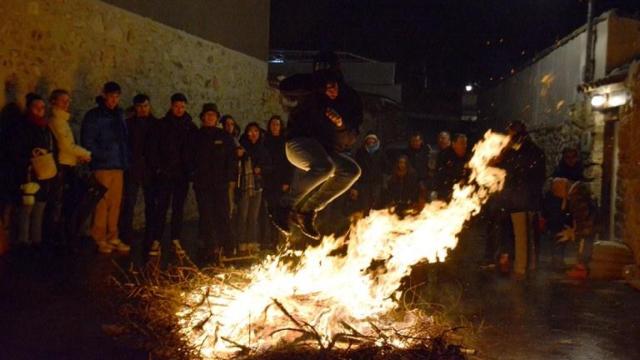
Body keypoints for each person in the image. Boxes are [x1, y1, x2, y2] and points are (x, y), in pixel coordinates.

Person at [272, 70, 361, 240]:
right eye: (326, 88)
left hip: (324, 151)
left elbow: (350, 139)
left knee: (351, 170)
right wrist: (316, 82)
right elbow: (285, 87)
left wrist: (340, 124)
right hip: (298, 144)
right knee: (325, 167)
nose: (331, 92)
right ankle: (284, 207)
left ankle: (306, 211)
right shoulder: (310, 98)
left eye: (333, 87)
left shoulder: (347, 104)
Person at [81, 82, 130, 254]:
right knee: (102, 203)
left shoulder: (119, 114)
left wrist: (124, 159)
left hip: (118, 165)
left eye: (117, 97)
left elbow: (124, 139)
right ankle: (99, 236)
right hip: (103, 165)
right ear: (104, 95)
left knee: (115, 203)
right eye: (111, 96)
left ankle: (112, 235)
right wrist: (101, 156)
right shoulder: (94, 116)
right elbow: (88, 140)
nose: (113, 100)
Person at [146, 93, 197, 257]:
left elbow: (195, 151)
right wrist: (159, 168)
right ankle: (157, 239)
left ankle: (176, 238)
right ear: (171, 106)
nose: (179, 109)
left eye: (182, 106)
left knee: (178, 209)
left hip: (182, 175)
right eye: (176, 106)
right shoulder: (162, 125)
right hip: (165, 174)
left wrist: (190, 170)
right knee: (161, 207)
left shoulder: (190, 127)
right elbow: (153, 148)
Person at [494, 121, 546, 278]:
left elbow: (531, 177)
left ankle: (522, 269)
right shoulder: (518, 151)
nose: (508, 137)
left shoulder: (528, 152)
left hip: (523, 200)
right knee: (521, 235)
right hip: (516, 199)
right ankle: (526, 266)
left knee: (523, 235)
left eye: (510, 134)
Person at [7, 93, 58, 248]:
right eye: (36, 107)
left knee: (39, 207)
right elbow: (16, 150)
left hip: (43, 173)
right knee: (26, 208)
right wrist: (31, 156)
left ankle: (36, 240)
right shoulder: (21, 127)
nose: (40, 110)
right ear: (29, 108)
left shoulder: (44, 127)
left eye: (42, 107)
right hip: (28, 173)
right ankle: (23, 241)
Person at [191, 103, 236, 260]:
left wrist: (231, 178)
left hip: (220, 184)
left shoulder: (224, 137)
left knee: (222, 214)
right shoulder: (196, 136)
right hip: (203, 184)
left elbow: (231, 159)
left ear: (217, 118)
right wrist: (194, 175)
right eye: (207, 115)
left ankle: (227, 246)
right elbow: (190, 158)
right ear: (203, 117)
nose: (210, 118)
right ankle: (210, 246)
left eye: (213, 115)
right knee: (206, 215)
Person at [48, 89, 91, 247]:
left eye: (68, 100)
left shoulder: (61, 120)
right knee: (67, 204)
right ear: (54, 102)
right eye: (63, 100)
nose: (67, 103)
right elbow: (66, 146)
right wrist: (85, 153)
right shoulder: (57, 121)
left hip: (68, 164)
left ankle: (67, 237)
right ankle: (64, 239)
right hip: (64, 167)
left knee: (69, 203)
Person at [119, 94, 156, 259]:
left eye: (145, 106)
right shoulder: (128, 125)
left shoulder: (155, 124)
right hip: (133, 168)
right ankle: (125, 234)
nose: (143, 109)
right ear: (135, 108)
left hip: (149, 169)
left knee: (151, 203)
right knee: (129, 202)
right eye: (140, 106)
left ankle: (151, 235)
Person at [236, 122, 272, 254]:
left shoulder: (262, 149)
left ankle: (252, 242)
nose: (253, 134)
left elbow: (269, 166)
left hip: (257, 186)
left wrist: (261, 169)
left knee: (254, 216)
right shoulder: (242, 147)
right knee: (242, 215)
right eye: (250, 131)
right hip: (244, 185)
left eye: (255, 131)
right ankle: (241, 243)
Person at [263, 115, 293, 248]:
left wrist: (287, 181)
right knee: (270, 212)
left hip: (282, 182)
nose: (275, 126)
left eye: (277, 124)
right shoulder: (265, 141)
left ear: (281, 127)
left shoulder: (285, 142)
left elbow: (289, 163)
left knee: (282, 211)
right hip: (269, 181)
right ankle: (272, 241)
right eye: (273, 124)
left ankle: (284, 241)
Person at [353, 133, 389, 214]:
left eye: (373, 139)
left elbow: (385, 166)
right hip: (364, 181)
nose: (371, 141)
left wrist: (384, 179)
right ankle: (365, 218)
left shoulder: (380, 152)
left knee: (376, 201)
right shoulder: (360, 152)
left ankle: (374, 218)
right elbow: (356, 166)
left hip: (376, 181)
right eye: (369, 139)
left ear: (376, 141)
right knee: (365, 202)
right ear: (366, 141)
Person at [434, 133, 470, 201]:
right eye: (462, 143)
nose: (464, 146)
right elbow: (439, 175)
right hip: (446, 190)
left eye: (465, 143)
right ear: (453, 144)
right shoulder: (444, 155)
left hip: (464, 191)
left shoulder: (468, 156)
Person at [403, 132, 430, 203]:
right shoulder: (406, 152)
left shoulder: (426, 151)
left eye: (417, 141)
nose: (415, 143)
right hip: (411, 180)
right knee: (412, 200)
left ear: (421, 141)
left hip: (424, 179)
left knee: (424, 200)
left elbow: (430, 166)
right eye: (413, 141)